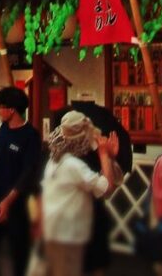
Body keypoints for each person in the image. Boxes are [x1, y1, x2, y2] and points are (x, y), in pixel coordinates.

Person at [38, 111, 119, 276]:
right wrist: (104, 154)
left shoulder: (54, 159)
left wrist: (108, 157)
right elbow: (108, 188)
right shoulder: (73, 165)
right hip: (68, 235)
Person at [0, 86, 42, 276]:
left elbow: (28, 172)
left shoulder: (31, 136)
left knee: (19, 255)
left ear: (12, 110)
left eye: (1, 106)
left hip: (17, 204)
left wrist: (8, 202)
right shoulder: (3, 129)